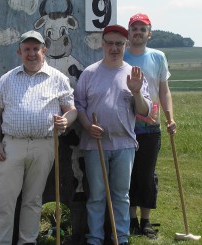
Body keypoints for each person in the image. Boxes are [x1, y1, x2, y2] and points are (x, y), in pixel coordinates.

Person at [0, 30, 77, 245]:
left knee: (33, 199)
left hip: (44, 145)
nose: (31, 53)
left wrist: (67, 120)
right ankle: (0, 242)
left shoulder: (58, 79)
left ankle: (27, 241)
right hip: (12, 146)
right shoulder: (7, 79)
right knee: (4, 199)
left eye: (35, 49)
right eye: (26, 49)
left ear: (43, 51)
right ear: (19, 52)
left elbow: (72, 110)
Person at [74, 25, 152, 245]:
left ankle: (121, 238)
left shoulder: (133, 73)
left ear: (125, 45)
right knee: (97, 195)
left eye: (119, 43)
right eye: (110, 43)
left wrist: (136, 91)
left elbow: (144, 111)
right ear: (102, 44)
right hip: (94, 143)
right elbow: (78, 105)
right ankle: (95, 238)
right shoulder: (89, 73)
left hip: (124, 144)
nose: (114, 47)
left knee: (121, 195)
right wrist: (88, 126)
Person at [124, 13, 177, 239]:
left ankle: (145, 221)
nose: (138, 32)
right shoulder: (121, 55)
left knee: (146, 173)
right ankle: (131, 219)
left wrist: (170, 118)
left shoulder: (158, 57)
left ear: (149, 34)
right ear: (129, 32)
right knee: (126, 174)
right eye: (134, 28)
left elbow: (164, 90)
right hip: (125, 125)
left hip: (151, 126)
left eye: (142, 29)